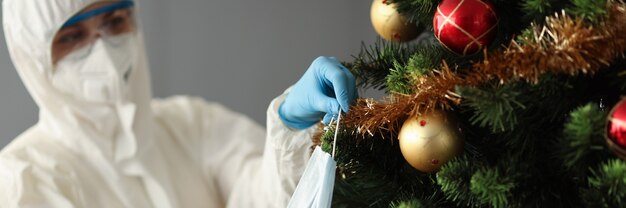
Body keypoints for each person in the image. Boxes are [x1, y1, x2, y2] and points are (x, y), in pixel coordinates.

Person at [0, 0, 357, 207]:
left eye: (114, 21)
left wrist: (290, 130)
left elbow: (262, 198)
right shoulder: (22, 181)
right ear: (33, 56)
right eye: (73, 36)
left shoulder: (191, 123)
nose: (104, 50)